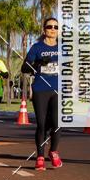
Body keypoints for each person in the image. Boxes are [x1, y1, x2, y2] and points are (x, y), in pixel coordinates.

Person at [21, 18, 62, 170]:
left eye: (55, 27)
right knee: (42, 124)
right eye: (49, 26)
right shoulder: (37, 47)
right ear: (44, 29)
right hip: (40, 89)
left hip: (58, 89)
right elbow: (24, 68)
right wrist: (38, 64)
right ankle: (39, 156)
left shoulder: (63, 48)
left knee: (57, 123)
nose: (53, 29)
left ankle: (53, 151)